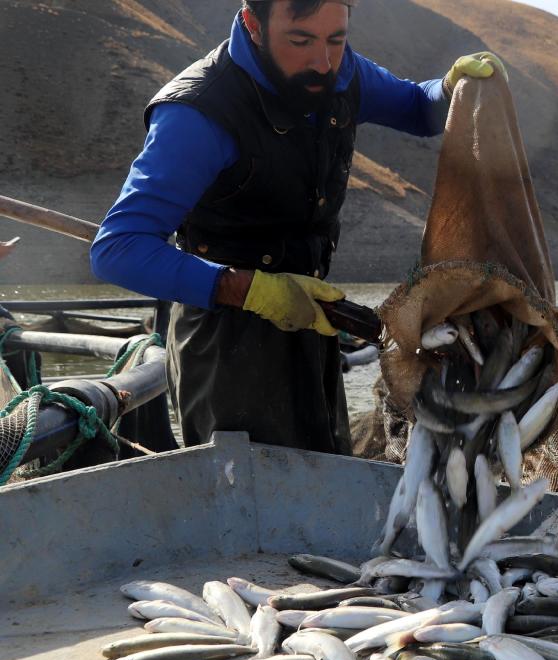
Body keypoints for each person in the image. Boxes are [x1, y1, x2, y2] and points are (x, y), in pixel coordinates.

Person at [90, 0, 504, 454]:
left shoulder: (344, 72)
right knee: (251, 501)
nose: (322, 62)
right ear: (253, 24)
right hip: (224, 340)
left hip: (313, 320)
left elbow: (416, 109)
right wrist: (251, 291)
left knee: (326, 473)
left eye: (336, 39)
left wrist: (449, 87)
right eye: (301, 40)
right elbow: (117, 248)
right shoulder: (198, 113)